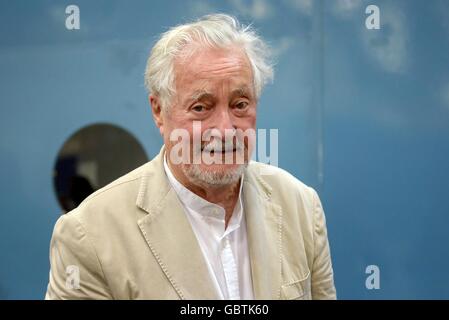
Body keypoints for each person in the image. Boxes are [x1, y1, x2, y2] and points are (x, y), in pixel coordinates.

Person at [45, 13, 336, 300]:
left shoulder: (301, 208)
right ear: (159, 111)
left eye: (240, 104)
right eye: (201, 107)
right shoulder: (89, 235)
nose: (225, 130)